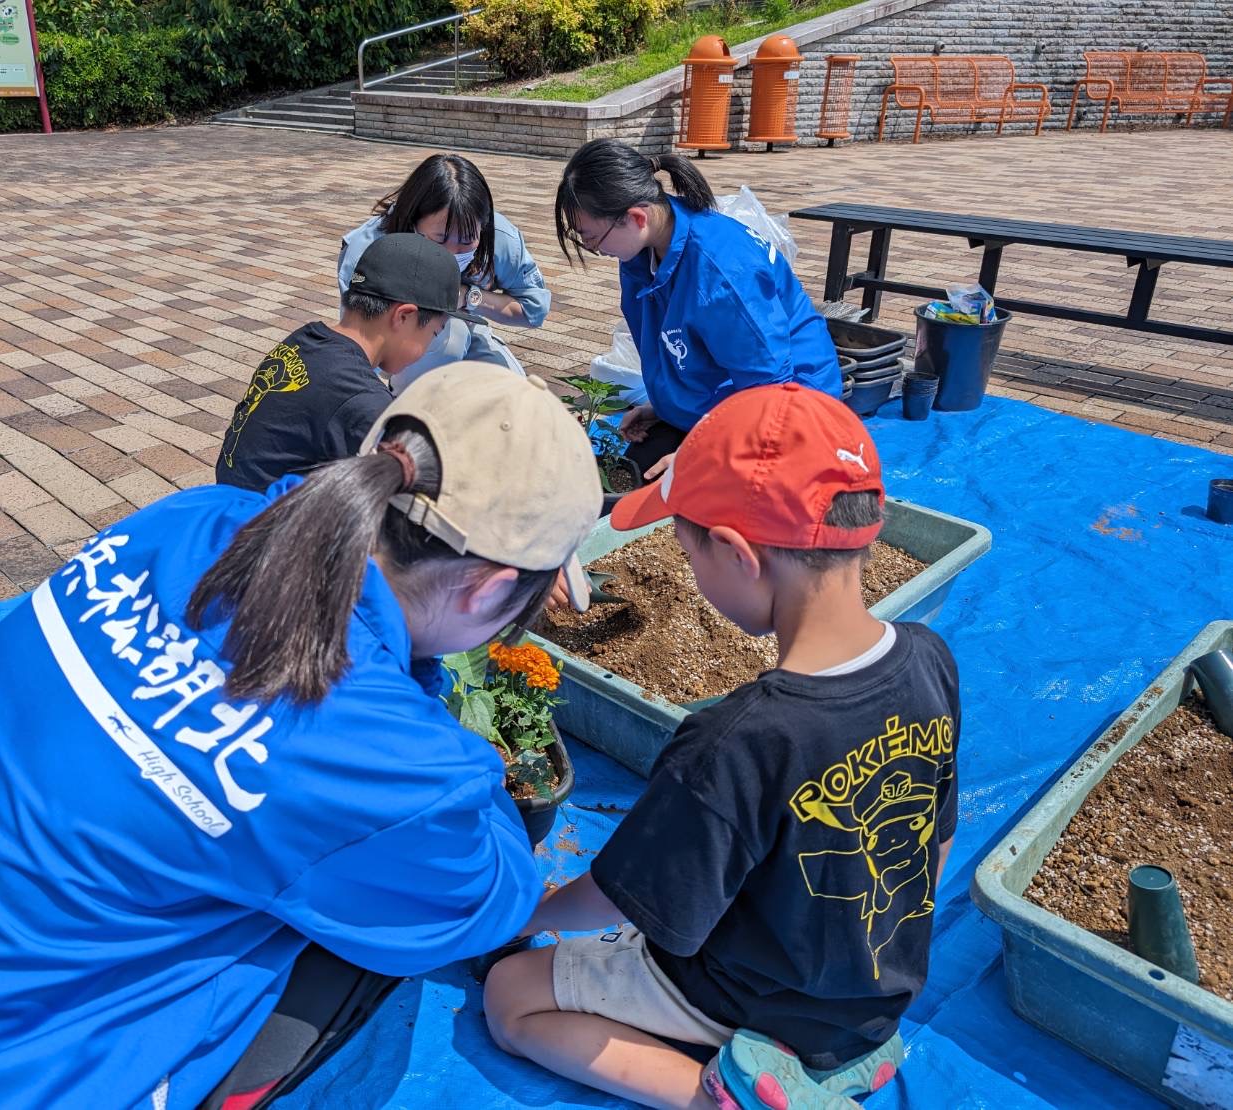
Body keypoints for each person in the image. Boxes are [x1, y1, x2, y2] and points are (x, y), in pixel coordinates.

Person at [0, 364, 602, 1108]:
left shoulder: (193, 518)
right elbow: (485, 902)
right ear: (491, 588)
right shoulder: (394, 762)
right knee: (367, 921)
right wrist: (428, 699)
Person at [485, 383, 960, 1110]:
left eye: (689, 552)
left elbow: (622, 900)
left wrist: (531, 914)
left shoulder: (737, 739)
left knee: (509, 996)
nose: (692, 574)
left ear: (738, 555)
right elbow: (936, 842)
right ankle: (833, 1060)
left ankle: (720, 1096)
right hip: (874, 992)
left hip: (758, 994)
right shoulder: (930, 658)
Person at [554, 138, 842, 476]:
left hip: (788, 412)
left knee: (689, 500)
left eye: (591, 238)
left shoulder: (722, 273)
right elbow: (680, 348)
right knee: (633, 475)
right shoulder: (643, 250)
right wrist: (662, 406)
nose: (593, 249)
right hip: (724, 402)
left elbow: (771, 392)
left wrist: (706, 451)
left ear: (635, 217)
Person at [217, 233, 479, 493]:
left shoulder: (304, 339)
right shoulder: (362, 400)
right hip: (266, 526)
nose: (429, 347)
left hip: (228, 503)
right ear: (404, 317)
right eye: (434, 334)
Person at [339, 153, 551, 393]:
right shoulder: (368, 250)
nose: (451, 254)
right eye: (439, 239)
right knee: (448, 344)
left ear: (484, 226)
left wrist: (470, 296)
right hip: (405, 333)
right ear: (413, 221)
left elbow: (534, 310)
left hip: (468, 319)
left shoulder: (500, 237)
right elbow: (360, 343)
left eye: (467, 241)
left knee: (514, 391)